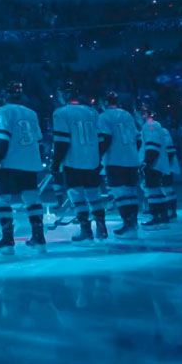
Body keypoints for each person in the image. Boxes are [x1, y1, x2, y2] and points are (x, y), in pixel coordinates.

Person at [0, 81, 46, 254]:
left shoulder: (3, 111)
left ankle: (7, 240)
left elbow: (1, 139)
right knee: (32, 200)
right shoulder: (31, 113)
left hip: (10, 162)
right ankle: (39, 238)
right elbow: (39, 141)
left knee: (2, 198)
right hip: (30, 162)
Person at [52, 81, 106, 243]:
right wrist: (98, 158)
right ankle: (101, 227)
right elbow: (101, 139)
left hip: (73, 160)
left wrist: (56, 163)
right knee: (94, 194)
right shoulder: (92, 112)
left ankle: (85, 230)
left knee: (76, 195)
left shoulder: (61, 113)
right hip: (92, 160)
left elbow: (62, 141)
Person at [97, 92, 142, 239]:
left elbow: (106, 137)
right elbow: (137, 138)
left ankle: (127, 225)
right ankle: (133, 224)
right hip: (132, 159)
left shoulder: (104, 116)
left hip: (115, 159)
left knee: (120, 193)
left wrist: (98, 157)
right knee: (131, 193)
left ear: (104, 102)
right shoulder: (127, 115)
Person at [139, 103, 171, 229]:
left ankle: (156, 217)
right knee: (156, 190)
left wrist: (147, 162)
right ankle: (163, 217)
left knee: (152, 190)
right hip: (155, 162)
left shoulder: (150, 126)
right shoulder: (152, 125)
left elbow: (153, 145)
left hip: (154, 163)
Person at [162, 125, 179, 221]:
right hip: (162, 165)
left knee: (167, 188)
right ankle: (169, 211)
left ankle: (171, 211)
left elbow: (170, 151)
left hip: (165, 166)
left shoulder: (163, 132)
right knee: (165, 189)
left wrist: (165, 167)